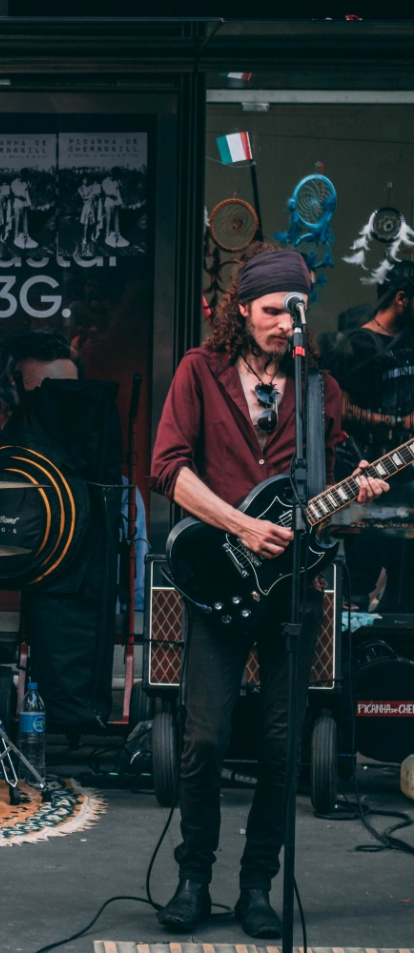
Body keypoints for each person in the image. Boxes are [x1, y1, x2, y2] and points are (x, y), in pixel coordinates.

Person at [148, 245, 387, 938]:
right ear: (244, 309)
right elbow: (168, 468)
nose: (288, 322)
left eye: (297, 310)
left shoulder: (322, 390)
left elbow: (320, 495)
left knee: (283, 747)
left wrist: (357, 488)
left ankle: (258, 884)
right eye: (276, 310)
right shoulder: (201, 372)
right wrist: (241, 526)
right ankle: (195, 877)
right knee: (204, 738)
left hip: (292, 594)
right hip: (219, 577)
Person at [323, 260, 414, 610]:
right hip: (365, 478)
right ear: (402, 298)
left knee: (406, 585)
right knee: (359, 583)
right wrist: (398, 423)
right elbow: (338, 406)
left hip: (409, 482)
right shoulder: (356, 343)